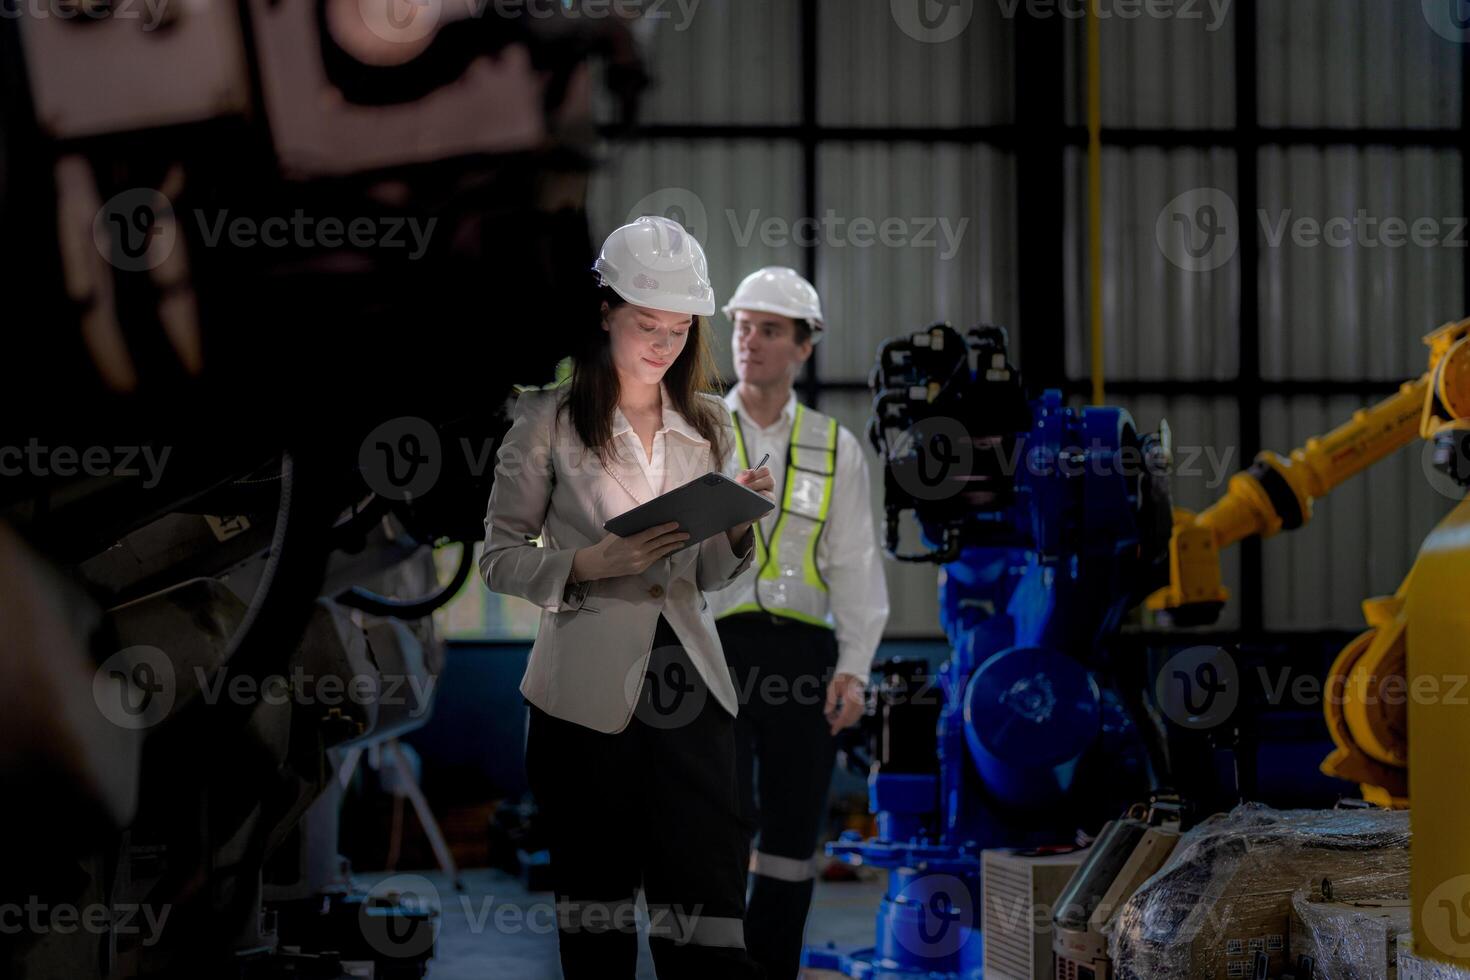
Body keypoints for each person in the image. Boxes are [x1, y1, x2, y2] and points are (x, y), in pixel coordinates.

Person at [479, 216, 774, 979]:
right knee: (596, 918)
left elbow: (709, 576)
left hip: (691, 691)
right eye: (649, 324)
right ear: (605, 310)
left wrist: (738, 528)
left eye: (680, 330)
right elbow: (499, 559)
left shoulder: (706, 426)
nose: (664, 344)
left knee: (707, 915)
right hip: (584, 699)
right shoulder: (542, 421)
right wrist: (587, 563)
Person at [710, 266, 890, 979]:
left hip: (802, 660)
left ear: (804, 346)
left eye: (770, 329)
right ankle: (712, 967)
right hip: (712, 649)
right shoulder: (696, 428)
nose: (750, 341)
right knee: (714, 823)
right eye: (743, 325)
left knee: (791, 829)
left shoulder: (833, 446)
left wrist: (855, 668)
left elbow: (854, 565)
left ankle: (771, 965)